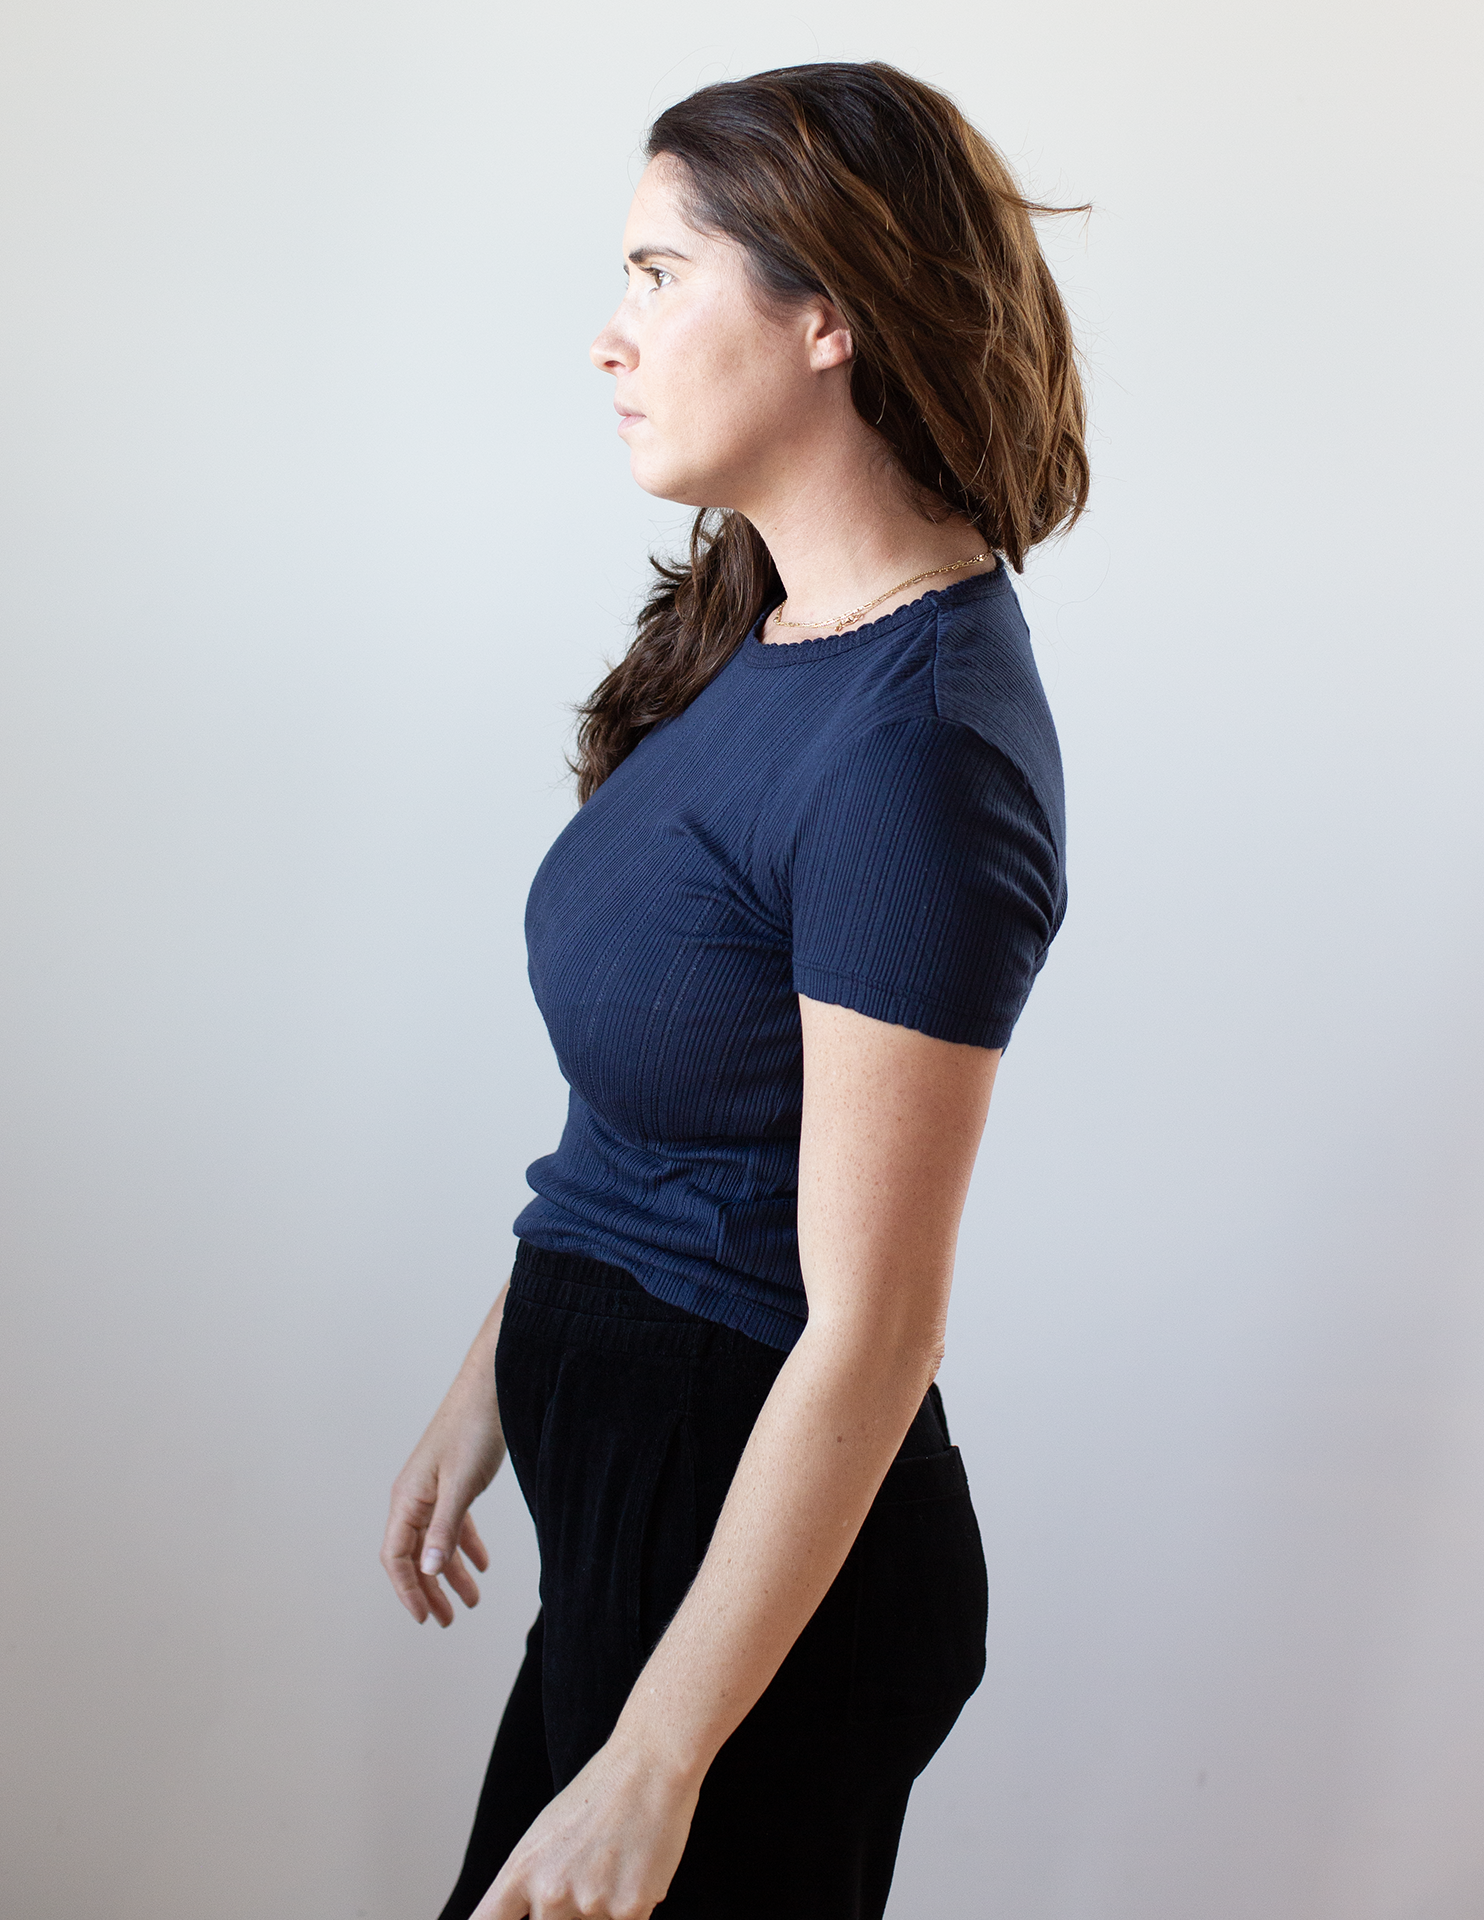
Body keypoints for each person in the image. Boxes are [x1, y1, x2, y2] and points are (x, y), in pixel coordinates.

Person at [380, 59, 1087, 1920]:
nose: (609, 339)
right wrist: (495, 1388)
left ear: (828, 312)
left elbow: (871, 1323)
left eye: (656, 274)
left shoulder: (917, 757)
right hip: (637, 1503)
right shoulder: (767, 634)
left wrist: (658, 1758)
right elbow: (658, 1104)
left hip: (755, 1584)